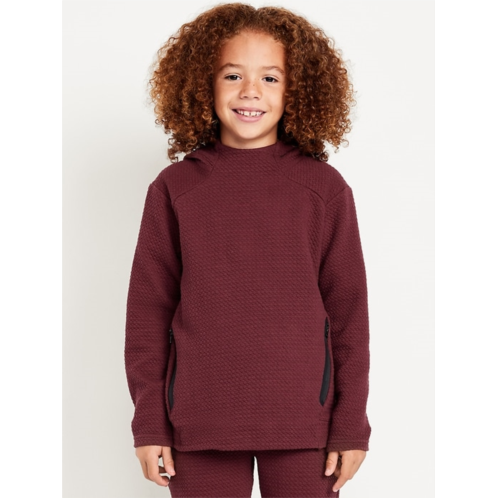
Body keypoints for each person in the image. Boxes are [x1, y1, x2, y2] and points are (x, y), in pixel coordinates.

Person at [125, 3, 371, 496]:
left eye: (270, 78)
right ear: (204, 85)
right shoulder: (175, 188)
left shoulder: (324, 188)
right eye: (233, 75)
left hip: (304, 421)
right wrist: (149, 422)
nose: (250, 91)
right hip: (199, 419)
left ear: (297, 91)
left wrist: (350, 424)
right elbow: (148, 314)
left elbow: (348, 315)